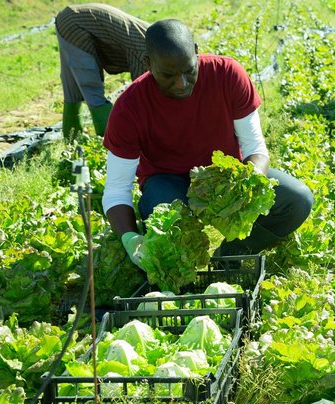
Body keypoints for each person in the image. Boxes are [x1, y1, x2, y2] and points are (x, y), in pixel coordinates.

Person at [102, 19, 313, 267]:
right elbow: (117, 188)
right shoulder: (130, 108)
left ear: (196, 51)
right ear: (148, 64)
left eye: (189, 70)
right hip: (168, 183)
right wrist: (129, 237)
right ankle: (183, 264)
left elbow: (254, 146)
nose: (181, 83)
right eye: (168, 75)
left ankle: (231, 255)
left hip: (225, 178)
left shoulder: (227, 75)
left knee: (297, 201)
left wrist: (246, 182)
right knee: (162, 211)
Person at [55, 3, 150, 139]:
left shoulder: (162, 41)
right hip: (76, 22)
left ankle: (72, 140)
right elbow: (141, 93)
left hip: (72, 18)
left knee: (72, 86)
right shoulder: (146, 52)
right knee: (89, 85)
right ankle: (111, 140)